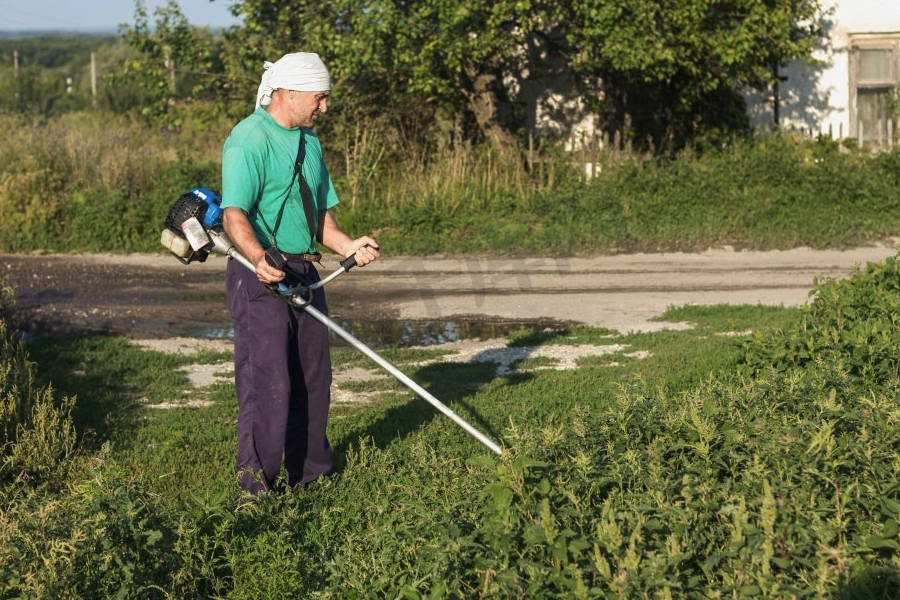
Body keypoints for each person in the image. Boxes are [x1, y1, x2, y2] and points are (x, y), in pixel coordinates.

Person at [220, 52, 380, 495]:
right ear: (289, 93)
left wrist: (348, 245)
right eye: (320, 98)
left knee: (314, 378)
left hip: (306, 271)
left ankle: (311, 478)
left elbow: (319, 219)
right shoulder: (248, 139)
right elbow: (234, 215)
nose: (324, 108)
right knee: (267, 381)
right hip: (260, 271)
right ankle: (255, 490)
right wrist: (257, 258)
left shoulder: (310, 144)